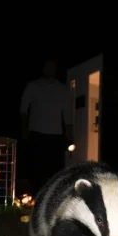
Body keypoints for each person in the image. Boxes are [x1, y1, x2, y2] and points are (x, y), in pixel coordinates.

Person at [20, 59, 74, 194]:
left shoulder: (62, 89)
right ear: (43, 68)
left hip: (55, 134)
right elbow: (23, 109)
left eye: (52, 66)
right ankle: (35, 196)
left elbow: (67, 112)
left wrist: (69, 132)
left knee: (55, 170)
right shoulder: (33, 86)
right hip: (36, 133)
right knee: (36, 169)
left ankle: (54, 197)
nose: (50, 69)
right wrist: (24, 128)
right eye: (47, 66)